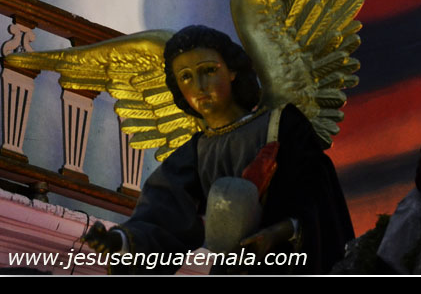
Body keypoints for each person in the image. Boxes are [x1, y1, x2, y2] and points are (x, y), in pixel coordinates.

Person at [83, 25, 354, 274]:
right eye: (186, 77)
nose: (199, 86)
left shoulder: (281, 124)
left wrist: (279, 232)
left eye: (208, 70)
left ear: (232, 71)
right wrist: (121, 242)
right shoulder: (197, 151)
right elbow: (164, 213)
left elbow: (318, 197)